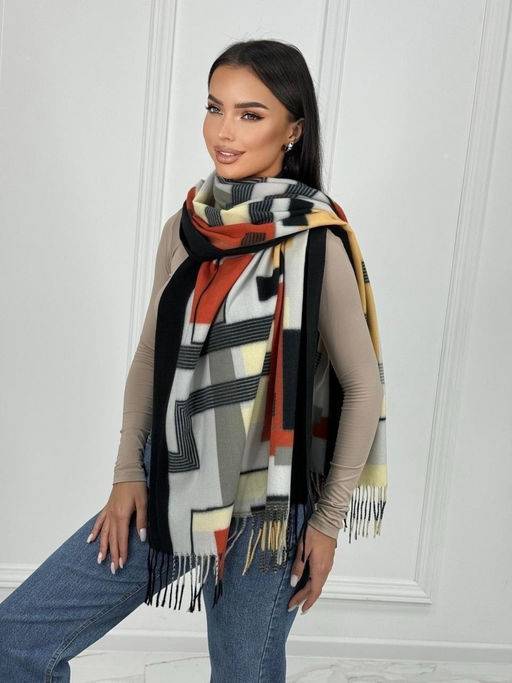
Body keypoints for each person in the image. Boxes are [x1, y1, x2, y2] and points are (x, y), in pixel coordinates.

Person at [0, 38, 387, 682]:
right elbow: (150, 354)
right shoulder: (187, 226)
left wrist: (326, 523)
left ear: (294, 129)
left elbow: (362, 385)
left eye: (250, 114)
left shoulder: (314, 239)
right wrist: (128, 472)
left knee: (242, 673)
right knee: (16, 640)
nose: (223, 131)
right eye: (215, 107)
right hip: (170, 474)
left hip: (270, 504)